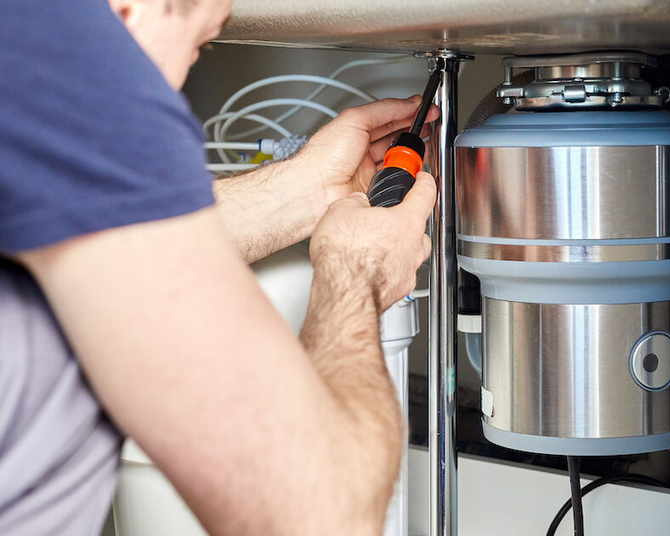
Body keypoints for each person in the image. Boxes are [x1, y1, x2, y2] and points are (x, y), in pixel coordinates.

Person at [0, 0, 438, 534]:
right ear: (130, 8)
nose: (179, 83)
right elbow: (321, 515)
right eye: (198, 46)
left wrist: (301, 192)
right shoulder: (76, 61)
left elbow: (93, 225)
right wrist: (358, 273)